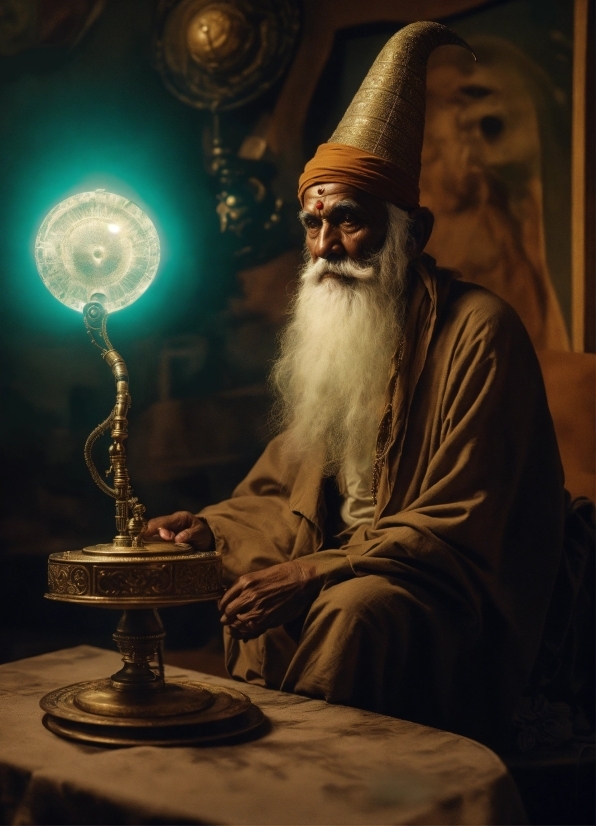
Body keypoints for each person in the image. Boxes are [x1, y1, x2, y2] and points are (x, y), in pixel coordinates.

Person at [146, 22, 572, 749]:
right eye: (314, 222)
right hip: (339, 559)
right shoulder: (339, 332)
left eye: (350, 221)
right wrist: (212, 526)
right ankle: (252, 773)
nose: (325, 247)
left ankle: (318, 784)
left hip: (434, 584)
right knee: (244, 582)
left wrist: (318, 570)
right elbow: (282, 495)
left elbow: (462, 521)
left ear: (414, 229)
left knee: (355, 613)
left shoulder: (481, 332)